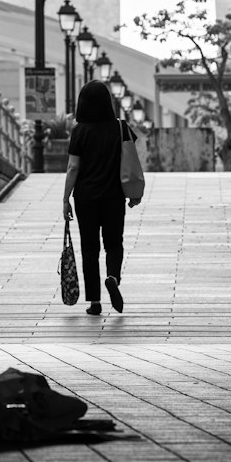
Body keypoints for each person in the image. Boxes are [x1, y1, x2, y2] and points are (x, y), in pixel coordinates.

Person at [62, 79, 138, 315]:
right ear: (108, 102)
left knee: (90, 248)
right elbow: (131, 161)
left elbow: (73, 167)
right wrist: (134, 191)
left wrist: (65, 198)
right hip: (114, 197)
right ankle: (113, 276)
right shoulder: (121, 127)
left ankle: (95, 302)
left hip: (85, 199)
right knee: (114, 243)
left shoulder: (79, 131)